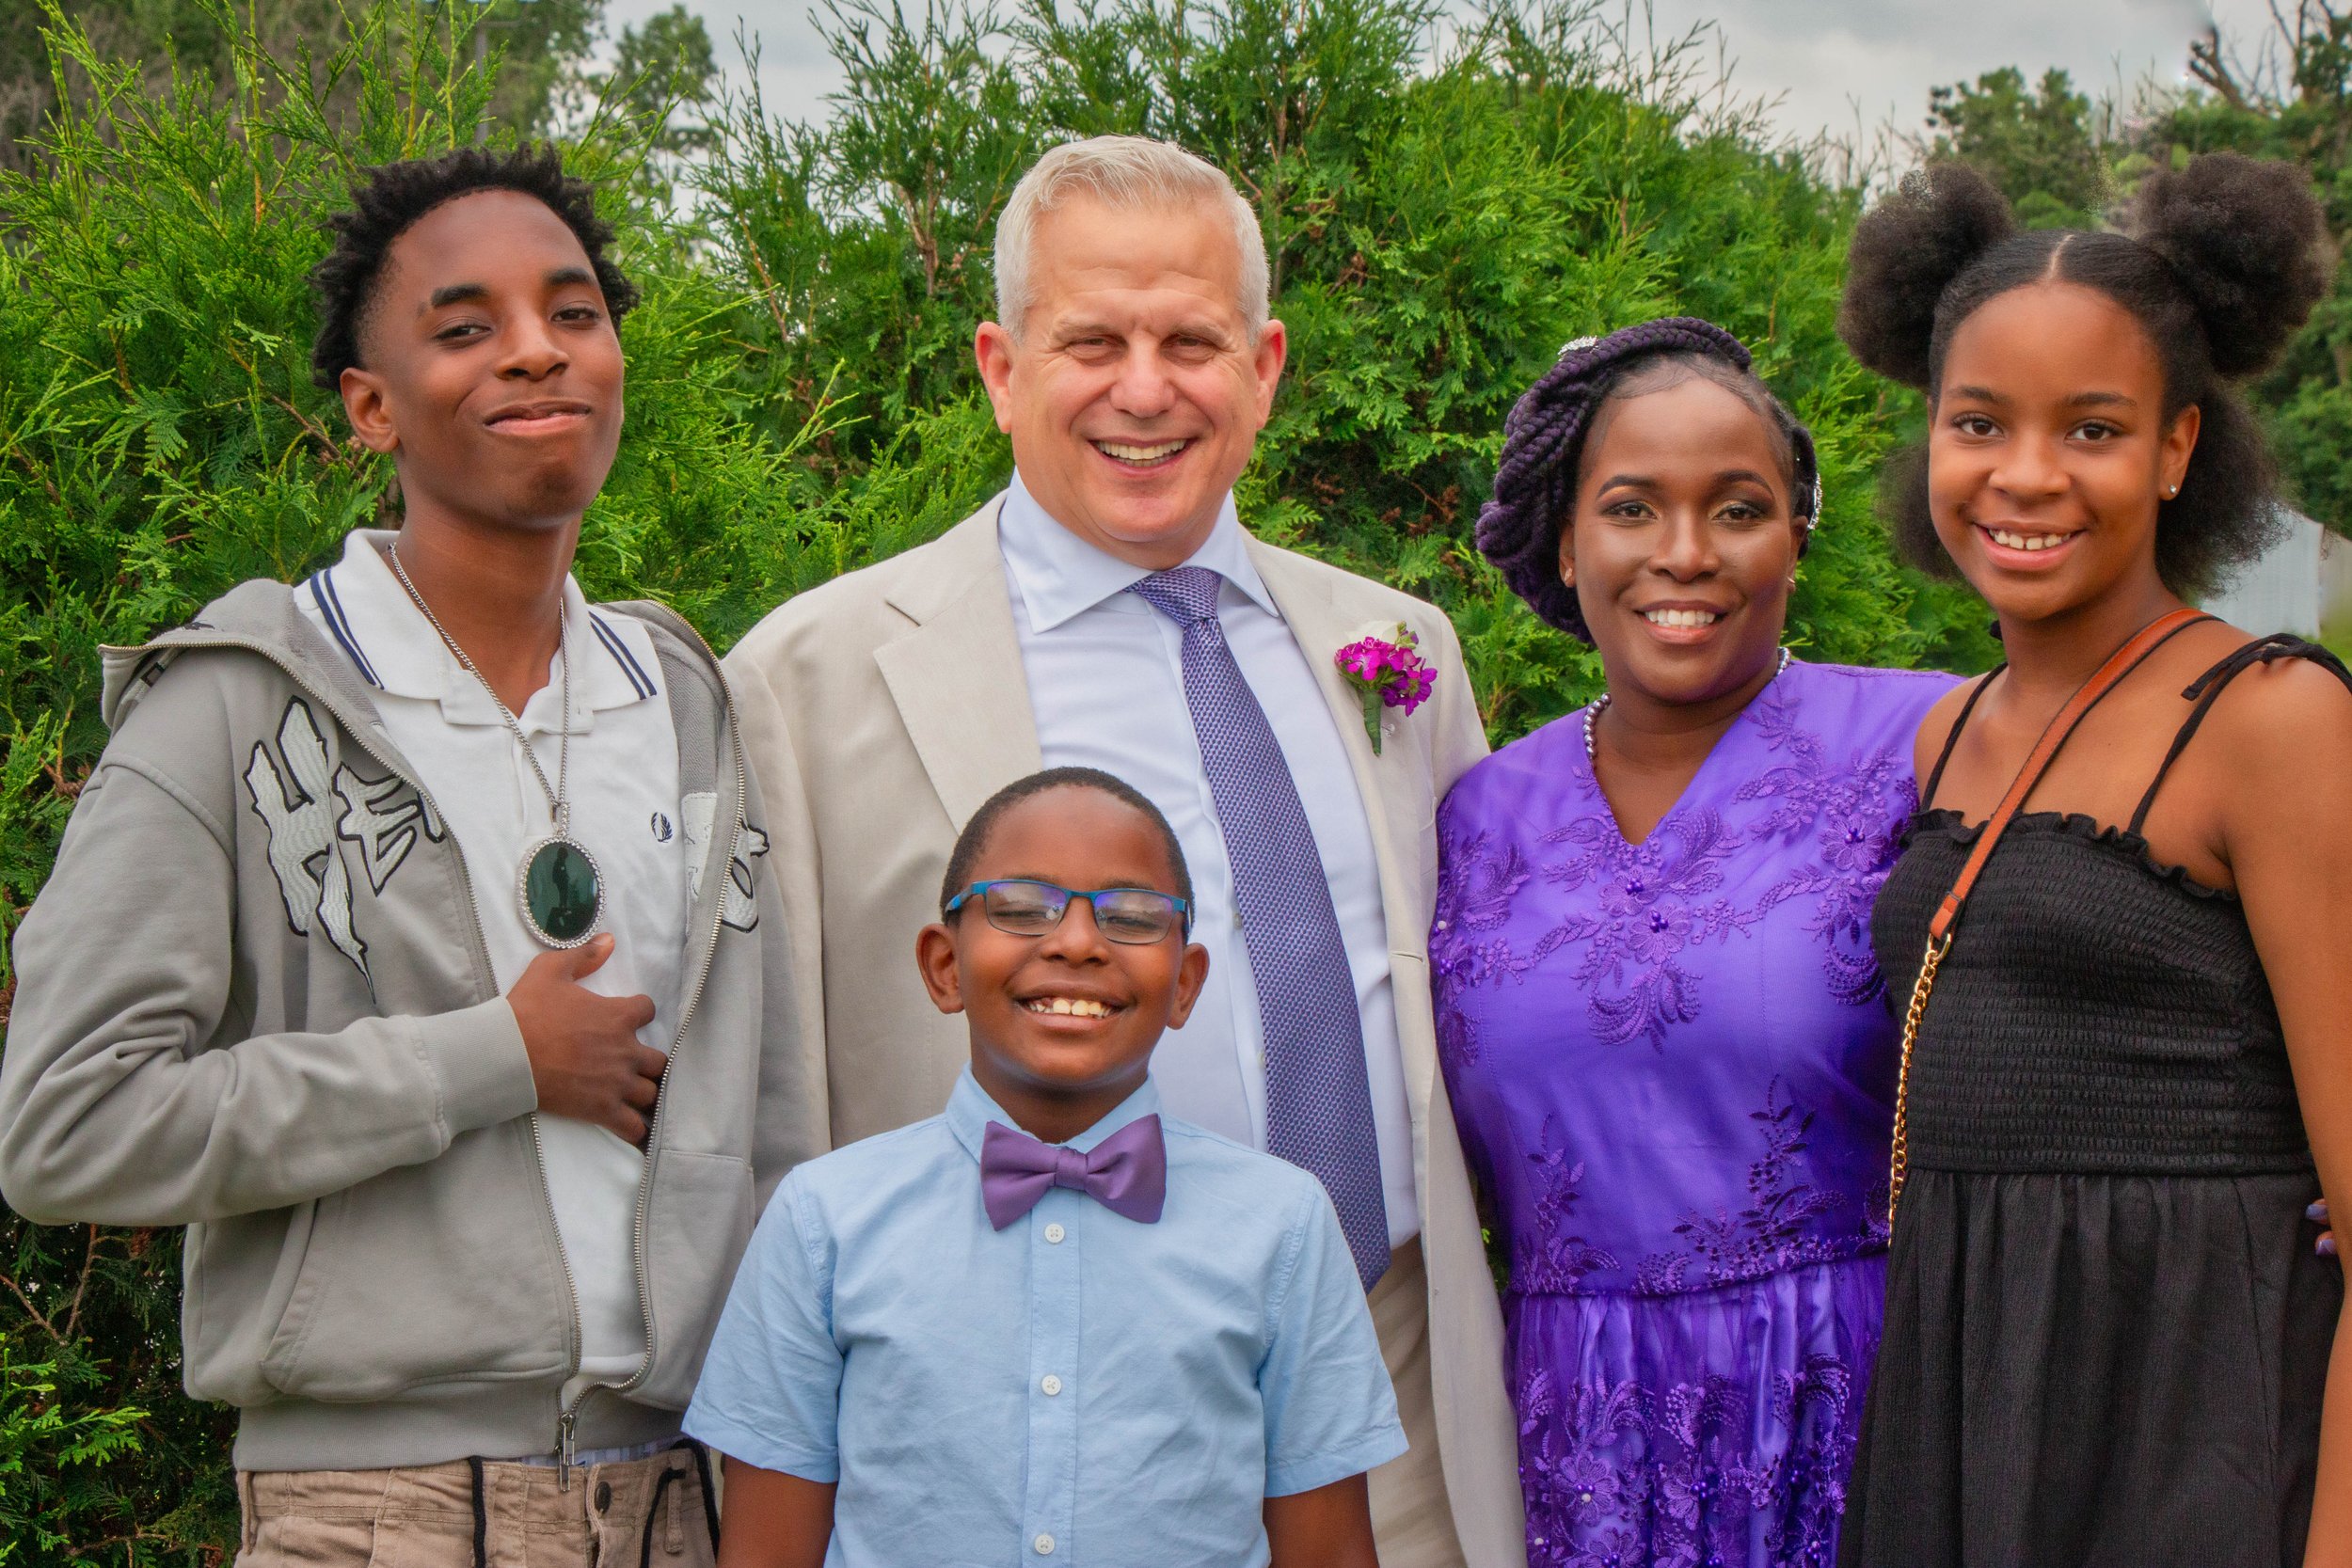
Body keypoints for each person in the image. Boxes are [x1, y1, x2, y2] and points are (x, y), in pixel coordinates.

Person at [0, 147, 822, 1567]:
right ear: (370, 407)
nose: (532, 351)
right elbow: (69, 1119)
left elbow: (777, 1122)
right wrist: (493, 1056)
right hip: (372, 1514)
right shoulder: (235, 703)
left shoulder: (691, 697)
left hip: (679, 1504)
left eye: (573, 313)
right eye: (464, 326)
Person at [723, 135, 1518, 1565]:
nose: (1145, 388)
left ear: (1265, 366)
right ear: (1000, 365)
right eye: (1091, 338)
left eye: (1191, 340)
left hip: (1388, 1412)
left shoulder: (1400, 651)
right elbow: (770, 1113)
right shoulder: (811, 676)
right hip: (1007, 1438)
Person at [1833, 154, 2349, 1564]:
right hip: (1973, 1394)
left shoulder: (2271, 720)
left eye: (2096, 428)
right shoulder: (1948, 732)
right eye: (1980, 421)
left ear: (2180, 450)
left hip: (2196, 1423)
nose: (2028, 475)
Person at [1436, 317, 1956, 1565]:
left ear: (1797, 533)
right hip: (1567, 1429)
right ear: (1566, 539)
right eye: (1630, 507)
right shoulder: (1474, 813)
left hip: (1855, 1391)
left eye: (1737, 508)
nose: (1684, 554)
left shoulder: (1925, 743)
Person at [686, 767, 1405, 1567]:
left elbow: (1332, 1551)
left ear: (1184, 983)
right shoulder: (823, 1219)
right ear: (944, 965)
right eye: (1022, 907)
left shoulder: (1285, 1224)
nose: (1075, 941)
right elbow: (765, 1550)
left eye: (1132, 916)